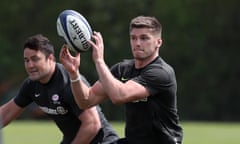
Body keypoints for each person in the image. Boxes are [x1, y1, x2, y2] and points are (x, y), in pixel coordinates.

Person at [60, 16, 183, 144]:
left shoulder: (161, 73)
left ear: (158, 42)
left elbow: (119, 95)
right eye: (133, 38)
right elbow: (86, 101)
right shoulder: (122, 69)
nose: (137, 43)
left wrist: (99, 61)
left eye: (144, 38)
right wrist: (74, 74)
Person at [0, 34, 118, 144]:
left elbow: (92, 125)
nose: (30, 65)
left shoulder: (68, 82)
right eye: (27, 60)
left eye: (35, 59)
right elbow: (5, 114)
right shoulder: (31, 85)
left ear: (50, 58)